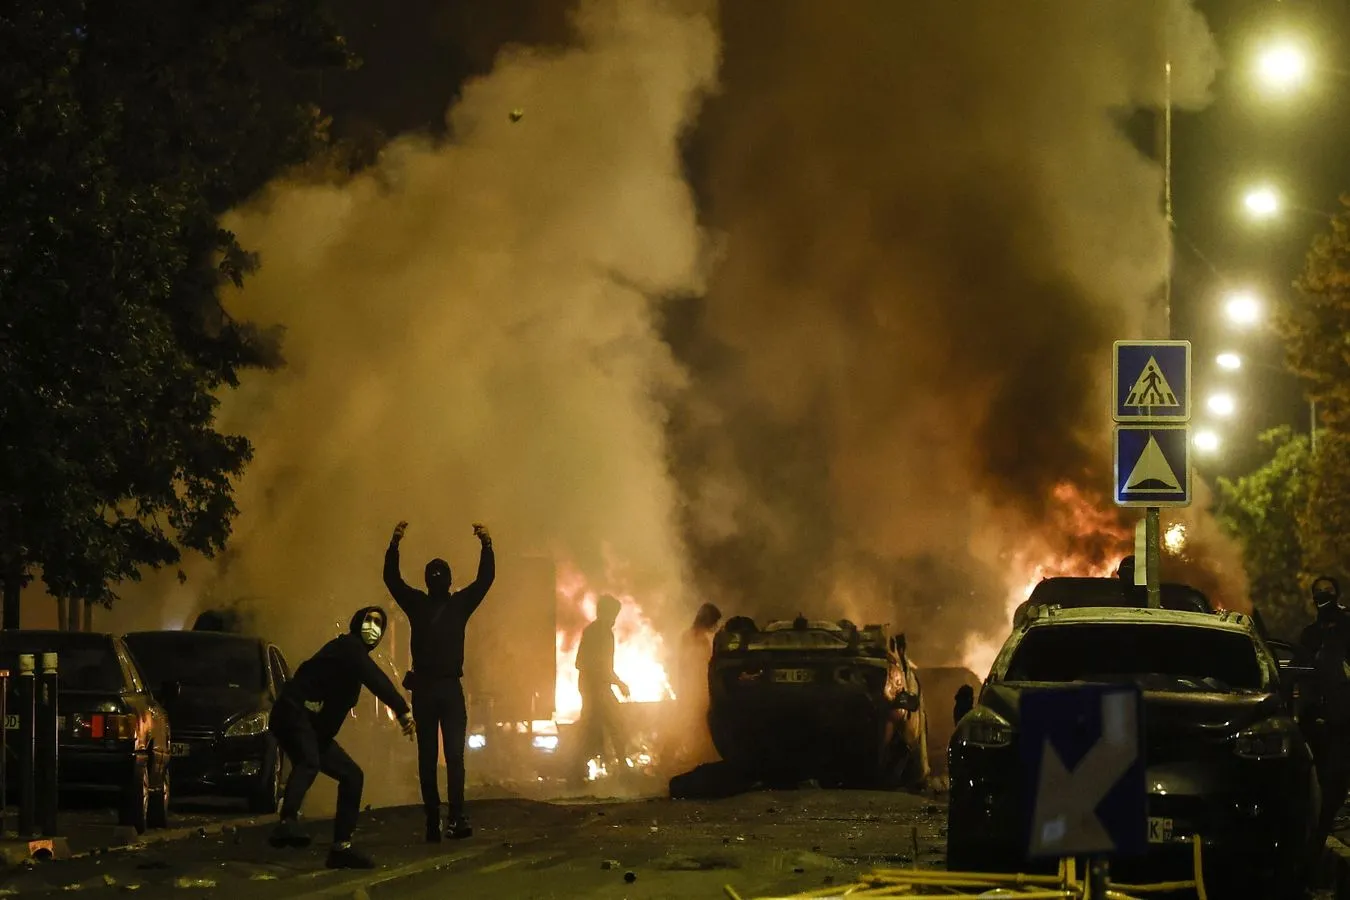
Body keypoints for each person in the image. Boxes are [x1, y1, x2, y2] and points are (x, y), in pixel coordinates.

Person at [267, 606, 415, 868]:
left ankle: (341, 848)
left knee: (352, 776)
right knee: (309, 761)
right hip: (293, 713)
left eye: (379, 624)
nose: (373, 627)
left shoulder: (352, 660)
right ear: (357, 623)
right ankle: (287, 821)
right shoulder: (348, 647)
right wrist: (402, 710)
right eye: (369, 620)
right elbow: (376, 679)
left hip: (313, 728)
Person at [383, 520, 495, 843]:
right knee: (455, 758)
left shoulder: (417, 604)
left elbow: (391, 579)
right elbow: (485, 579)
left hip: (425, 691)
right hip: (448, 688)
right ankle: (455, 817)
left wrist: (395, 542)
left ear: (428, 582)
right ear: (448, 581)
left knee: (428, 758)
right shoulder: (459, 604)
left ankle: (433, 822)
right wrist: (486, 544)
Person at [1300, 576, 1350, 839]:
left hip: (1342, 716)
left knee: (1337, 773)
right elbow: (1300, 671)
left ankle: (1331, 817)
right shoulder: (1310, 634)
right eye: (1318, 592)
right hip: (1314, 718)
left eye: (1327, 592)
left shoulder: (1346, 627)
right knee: (1319, 774)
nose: (1322, 596)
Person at [575, 594, 630, 779]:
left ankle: (579, 769)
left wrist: (614, 681)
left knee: (594, 727)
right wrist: (619, 683)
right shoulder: (600, 633)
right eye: (613, 614)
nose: (614, 619)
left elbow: (586, 664)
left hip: (593, 687)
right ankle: (622, 768)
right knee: (616, 724)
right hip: (596, 688)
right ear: (605, 613)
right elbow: (596, 665)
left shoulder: (595, 631)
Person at [667, 603, 721, 771]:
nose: (715, 626)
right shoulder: (697, 639)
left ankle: (692, 757)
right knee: (693, 723)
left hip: (693, 688)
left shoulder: (689, 637)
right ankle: (669, 758)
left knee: (693, 724)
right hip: (694, 689)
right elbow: (696, 665)